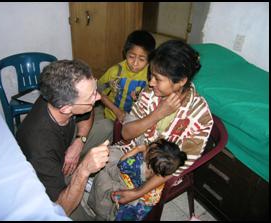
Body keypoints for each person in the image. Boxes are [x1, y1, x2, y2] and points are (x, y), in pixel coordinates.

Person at [87, 40, 214, 220]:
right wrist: (158, 114)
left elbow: (174, 169)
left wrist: (138, 192)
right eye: (151, 75)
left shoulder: (200, 118)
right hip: (133, 149)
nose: (150, 82)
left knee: (127, 199)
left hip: (159, 172)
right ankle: (100, 210)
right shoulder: (149, 93)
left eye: (158, 79)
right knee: (103, 163)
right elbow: (126, 134)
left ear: (181, 81)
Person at [15, 59, 113, 219]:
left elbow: (88, 112)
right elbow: (61, 208)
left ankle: (80, 177)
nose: (98, 97)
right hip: (52, 173)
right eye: (91, 96)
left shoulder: (58, 95)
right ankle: (77, 180)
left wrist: (79, 141)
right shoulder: (38, 146)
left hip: (67, 147)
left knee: (107, 126)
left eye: (94, 90)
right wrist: (84, 171)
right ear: (67, 108)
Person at [87, 138, 187, 221]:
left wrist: (138, 149)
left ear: (149, 162)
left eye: (148, 148)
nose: (146, 146)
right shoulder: (162, 172)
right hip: (142, 206)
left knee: (105, 174)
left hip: (125, 195)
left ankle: (98, 211)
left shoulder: (137, 165)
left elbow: (122, 163)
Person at [98, 30, 156, 123]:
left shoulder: (151, 75)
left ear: (149, 60)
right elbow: (98, 91)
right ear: (125, 53)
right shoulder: (115, 72)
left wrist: (139, 99)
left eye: (141, 59)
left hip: (137, 118)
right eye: (131, 57)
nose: (135, 63)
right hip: (112, 116)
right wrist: (117, 112)